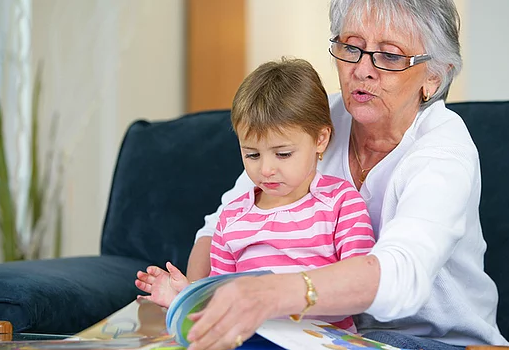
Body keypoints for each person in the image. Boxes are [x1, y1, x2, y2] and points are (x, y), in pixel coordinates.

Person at [178, 1, 509, 350]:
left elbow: (402, 276)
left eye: (390, 56)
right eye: (352, 47)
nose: (362, 70)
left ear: (434, 76)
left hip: (434, 340)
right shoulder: (317, 121)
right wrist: (196, 315)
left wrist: (272, 293)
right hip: (332, 335)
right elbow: (222, 224)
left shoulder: (443, 149)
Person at [135, 58, 376, 333]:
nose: (266, 169)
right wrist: (185, 296)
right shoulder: (233, 218)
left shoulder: (342, 203)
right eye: (252, 154)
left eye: (283, 154)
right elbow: (222, 300)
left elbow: (360, 290)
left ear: (320, 139)